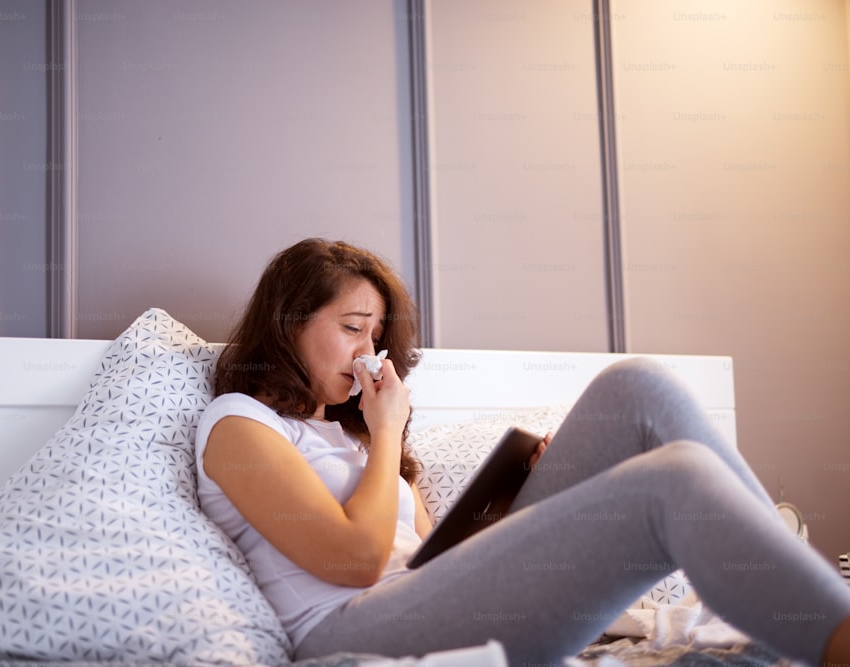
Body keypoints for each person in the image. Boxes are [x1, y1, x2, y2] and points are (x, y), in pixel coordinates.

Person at [195, 238, 850, 665]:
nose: (370, 351)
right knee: (670, 480)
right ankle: (834, 632)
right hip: (348, 629)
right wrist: (388, 433)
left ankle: (798, 606)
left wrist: (511, 497)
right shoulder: (239, 423)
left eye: (376, 333)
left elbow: (436, 563)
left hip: (421, 598)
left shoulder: (353, 432)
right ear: (288, 323)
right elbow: (358, 560)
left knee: (635, 386)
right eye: (350, 329)